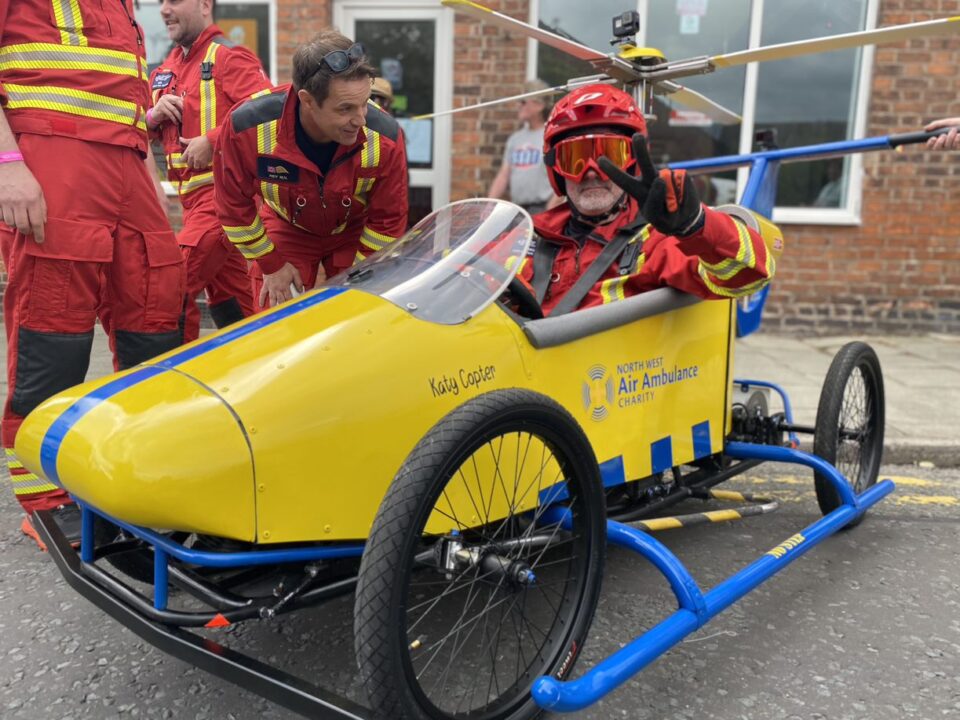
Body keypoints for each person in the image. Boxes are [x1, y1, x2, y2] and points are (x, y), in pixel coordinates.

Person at [0, 0, 184, 544]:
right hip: (55, 156)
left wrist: (147, 184)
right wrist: (7, 166)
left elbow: (125, 100)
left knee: (156, 313)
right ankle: (45, 500)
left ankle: (141, 475)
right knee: (53, 326)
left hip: (125, 164)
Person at [518, 84, 775, 315]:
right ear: (555, 168)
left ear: (634, 164)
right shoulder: (528, 240)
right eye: (574, 158)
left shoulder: (657, 241)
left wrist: (696, 225)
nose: (592, 171)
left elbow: (751, 275)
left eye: (609, 155)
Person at [214, 31, 409, 309]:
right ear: (307, 100)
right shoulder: (246, 127)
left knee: (357, 316)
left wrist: (359, 280)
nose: (360, 119)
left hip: (354, 231)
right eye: (345, 108)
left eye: (365, 103)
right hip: (286, 227)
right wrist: (271, 264)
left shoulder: (386, 137)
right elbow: (233, 207)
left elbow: (387, 221)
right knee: (275, 319)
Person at [149, 0, 273, 342]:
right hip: (193, 206)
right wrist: (152, 116)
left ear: (205, 5)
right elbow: (140, 130)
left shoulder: (230, 56)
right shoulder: (169, 66)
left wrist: (213, 140)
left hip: (222, 200)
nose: (163, 9)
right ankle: (261, 366)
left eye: (173, 0)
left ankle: (176, 378)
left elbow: (270, 117)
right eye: (160, 2)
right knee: (237, 303)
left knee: (168, 287)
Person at [488, 79, 560, 215]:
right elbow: (503, 176)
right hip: (517, 210)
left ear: (539, 105)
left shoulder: (551, 136)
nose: (518, 105)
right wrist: (488, 205)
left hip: (542, 209)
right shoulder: (515, 139)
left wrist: (550, 210)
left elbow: (562, 178)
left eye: (523, 102)